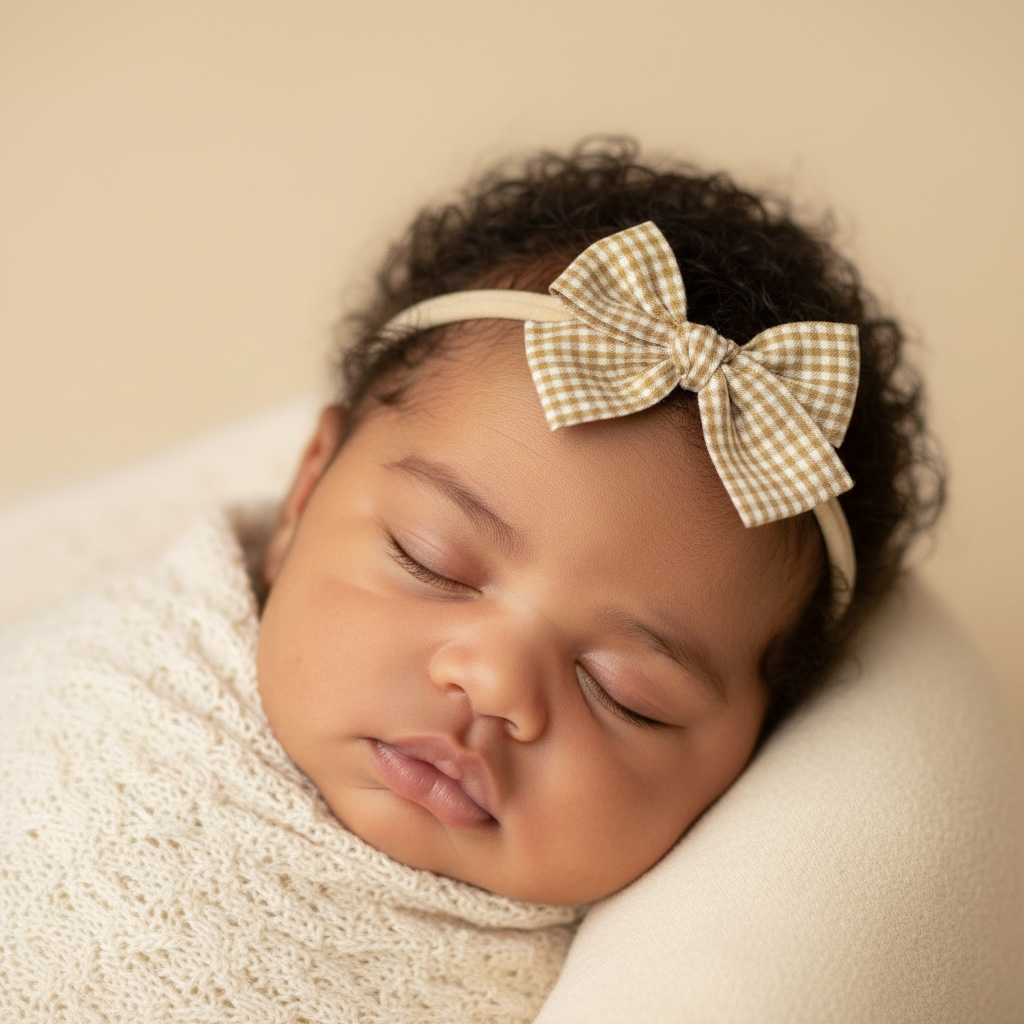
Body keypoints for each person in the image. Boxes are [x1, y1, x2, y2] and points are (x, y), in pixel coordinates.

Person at [0, 139, 942, 1021]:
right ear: (301, 498)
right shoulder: (122, 670)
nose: (494, 684)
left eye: (627, 696)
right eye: (430, 559)